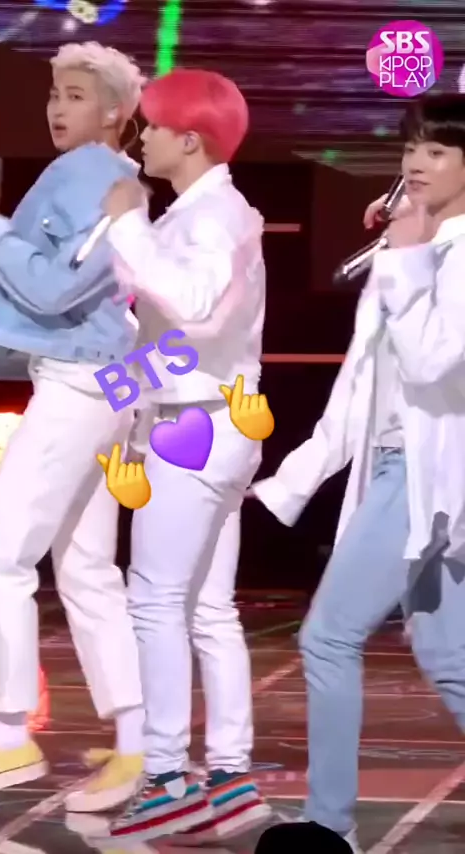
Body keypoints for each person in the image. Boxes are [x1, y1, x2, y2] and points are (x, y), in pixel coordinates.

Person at [251, 93, 465, 853]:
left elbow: (432, 360)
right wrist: (296, 476)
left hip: (428, 478)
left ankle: (327, 825)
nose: (417, 162)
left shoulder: (451, 253)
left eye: (438, 150)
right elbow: (361, 384)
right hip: (400, 467)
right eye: (412, 147)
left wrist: (406, 258)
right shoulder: (414, 244)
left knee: (328, 637)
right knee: (447, 654)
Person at [91, 67, 271, 846]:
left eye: (155, 126)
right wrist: (105, 388)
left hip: (194, 429)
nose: (144, 139)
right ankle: (228, 777)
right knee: (205, 608)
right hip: (211, 419)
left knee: (158, 602)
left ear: (190, 139)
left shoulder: (213, 219)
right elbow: (176, 343)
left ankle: (168, 780)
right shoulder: (206, 215)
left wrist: (126, 224)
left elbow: (192, 313)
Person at [0, 42, 146, 812]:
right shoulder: (94, 176)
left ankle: (11, 733)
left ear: (115, 111)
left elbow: (53, 292)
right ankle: (136, 741)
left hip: (82, 383)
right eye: (56, 93)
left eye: (76, 95)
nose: (58, 107)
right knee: (85, 569)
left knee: (2, 555)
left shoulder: (99, 180)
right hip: (96, 380)